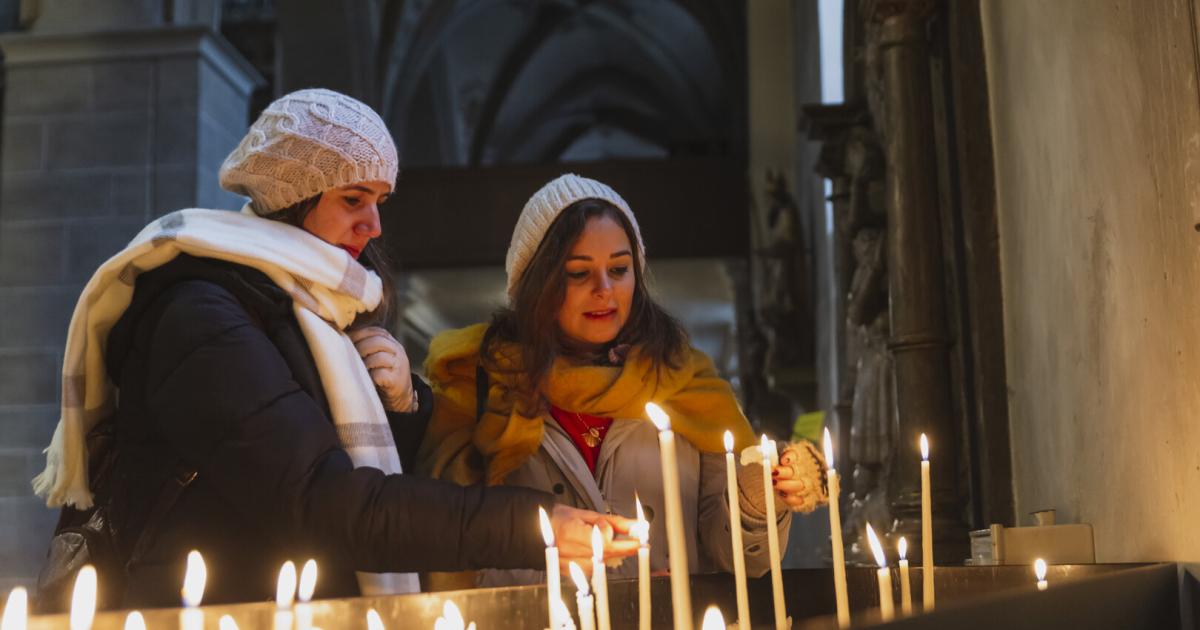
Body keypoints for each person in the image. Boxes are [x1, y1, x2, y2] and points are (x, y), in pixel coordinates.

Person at [31, 90, 636, 608]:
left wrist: (407, 406)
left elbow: (356, 468)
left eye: (380, 201)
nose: (374, 225)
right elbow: (325, 501)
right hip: (215, 609)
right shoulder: (202, 316)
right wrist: (535, 525)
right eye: (353, 199)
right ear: (295, 194)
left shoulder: (316, 310)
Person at [418, 174, 829, 588]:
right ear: (536, 284)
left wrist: (757, 500)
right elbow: (446, 545)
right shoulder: (477, 384)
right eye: (579, 273)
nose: (605, 289)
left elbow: (743, 562)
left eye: (619, 268)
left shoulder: (684, 381)